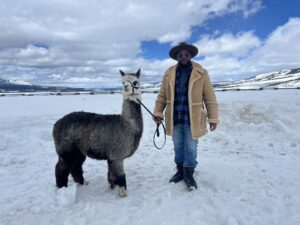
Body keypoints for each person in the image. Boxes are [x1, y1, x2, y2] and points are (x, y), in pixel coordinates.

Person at [153, 42, 219, 191]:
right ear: (176, 57)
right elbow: (162, 95)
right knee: (178, 146)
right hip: (175, 118)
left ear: (190, 56)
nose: (183, 57)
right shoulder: (169, 73)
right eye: (180, 55)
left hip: (193, 119)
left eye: (186, 54)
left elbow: (209, 97)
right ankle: (180, 171)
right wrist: (158, 113)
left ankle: (189, 174)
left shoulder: (201, 72)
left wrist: (213, 118)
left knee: (191, 147)